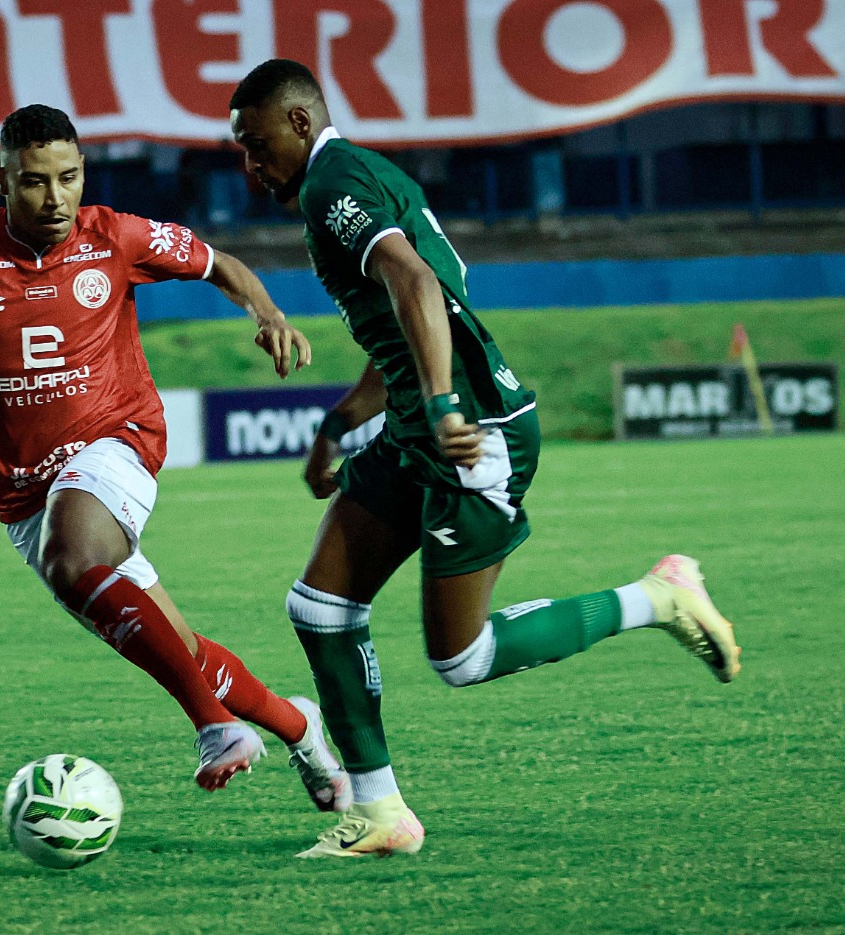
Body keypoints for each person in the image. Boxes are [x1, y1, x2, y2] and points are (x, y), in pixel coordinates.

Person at [227, 60, 745, 858]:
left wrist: (441, 402)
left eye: (257, 146)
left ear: (300, 123)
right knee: (321, 605)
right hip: (418, 428)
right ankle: (382, 813)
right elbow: (409, 314)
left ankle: (657, 598)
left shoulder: (334, 186)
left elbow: (415, 284)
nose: (251, 167)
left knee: (462, 657)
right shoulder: (360, 177)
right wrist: (344, 421)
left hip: (472, 432)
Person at [0, 105, 350, 807]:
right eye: (35, 181)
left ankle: (214, 727)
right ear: (2, 181)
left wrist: (269, 314)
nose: (56, 198)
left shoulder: (115, 236)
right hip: (24, 493)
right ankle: (300, 727)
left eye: (69, 178)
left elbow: (218, 263)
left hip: (118, 440)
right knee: (176, 647)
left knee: (73, 556)